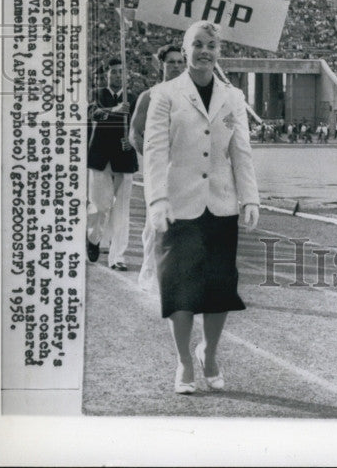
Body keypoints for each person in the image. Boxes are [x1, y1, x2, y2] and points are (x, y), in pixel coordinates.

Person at [144, 21, 260, 394]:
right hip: (178, 206)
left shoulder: (234, 96)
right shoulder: (165, 94)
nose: (204, 51)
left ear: (219, 51)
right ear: (185, 47)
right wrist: (157, 200)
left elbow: (240, 151)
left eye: (211, 45)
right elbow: (155, 151)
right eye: (197, 44)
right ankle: (183, 362)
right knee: (178, 287)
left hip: (221, 206)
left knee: (218, 289)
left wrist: (250, 197)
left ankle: (209, 352)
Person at [128, 43, 186, 292]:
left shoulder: (191, 96)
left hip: (184, 169)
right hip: (158, 169)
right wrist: (150, 156)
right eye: (170, 62)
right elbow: (134, 132)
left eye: (180, 62)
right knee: (156, 223)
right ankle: (149, 274)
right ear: (160, 65)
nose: (175, 66)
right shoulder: (149, 96)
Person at [87, 58, 139, 271]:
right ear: (107, 75)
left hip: (124, 158)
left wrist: (133, 139)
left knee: (122, 210)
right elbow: (93, 113)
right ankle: (94, 238)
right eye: (114, 72)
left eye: (121, 72)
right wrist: (115, 110)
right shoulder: (98, 94)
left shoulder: (133, 98)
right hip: (100, 158)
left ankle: (117, 257)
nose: (118, 75)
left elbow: (139, 126)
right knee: (101, 206)